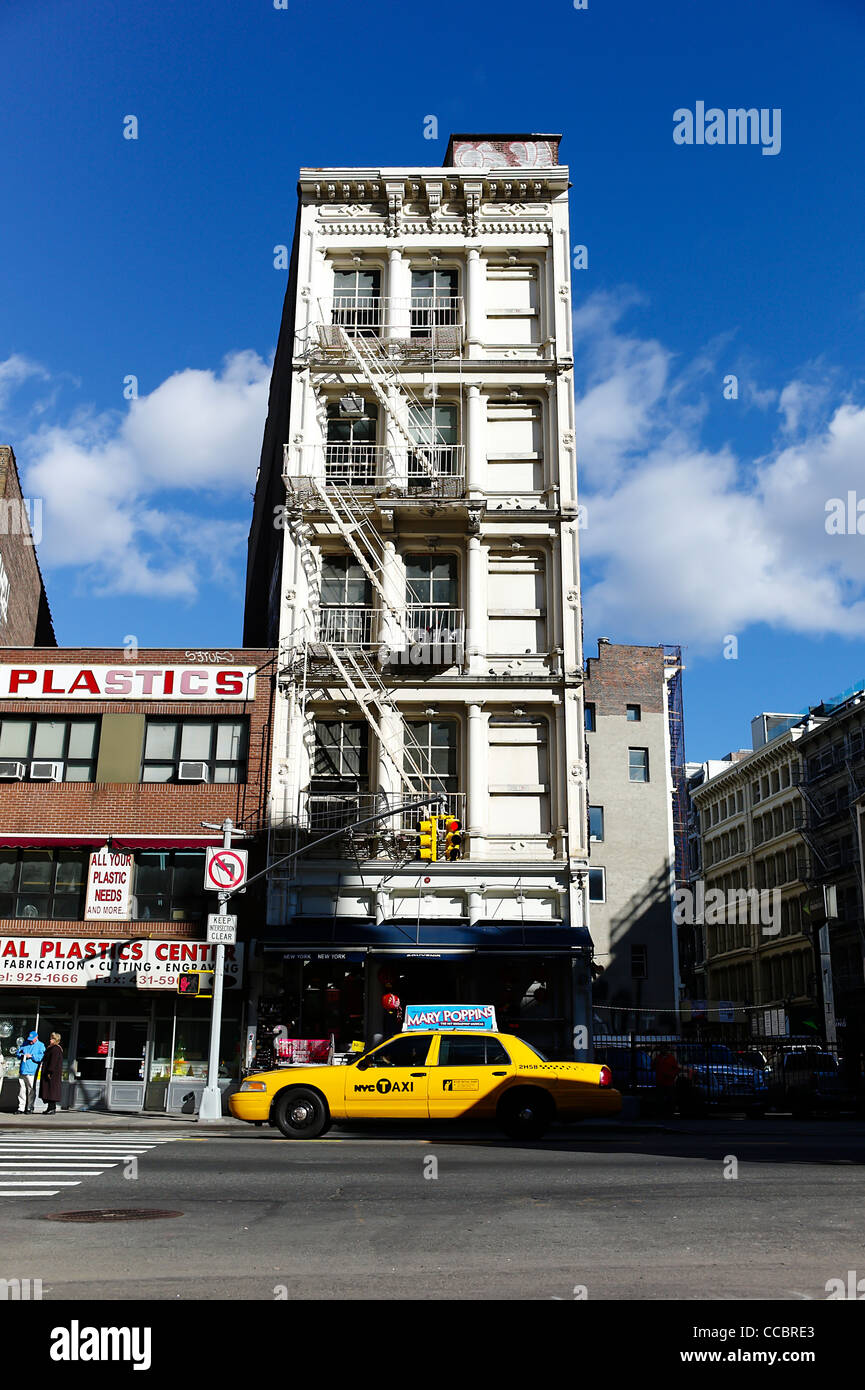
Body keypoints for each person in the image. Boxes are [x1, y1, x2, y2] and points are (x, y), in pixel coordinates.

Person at [17, 1030, 45, 1114]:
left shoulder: (40, 1045)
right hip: (23, 1070)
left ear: (36, 1038)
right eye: (30, 1039)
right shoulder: (25, 1043)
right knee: (21, 1090)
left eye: (32, 1039)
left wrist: (32, 1056)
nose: (30, 1041)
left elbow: (42, 1056)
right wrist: (20, 1054)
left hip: (32, 1071)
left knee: (31, 1090)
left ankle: (29, 1107)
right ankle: (21, 1108)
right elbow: (18, 1053)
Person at [39, 1032, 63, 1115]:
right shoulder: (51, 1048)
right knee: (49, 1091)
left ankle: (52, 1108)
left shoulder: (56, 1049)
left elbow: (53, 1061)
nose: (50, 1040)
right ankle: (50, 1107)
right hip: (50, 1073)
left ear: (56, 1040)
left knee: (51, 1091)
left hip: (52, 1075)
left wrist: (50, 1071)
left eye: (52, 1039)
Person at [654, 1045, 680, 1118]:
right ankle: (661, 1113)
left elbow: (676, 1069)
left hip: (669, 1081)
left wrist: (672, 1076)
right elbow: (653, 1066)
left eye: (664, 1049)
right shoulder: (658, 1058)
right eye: (662, 1049)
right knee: (660, 1099)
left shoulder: (671, 1058)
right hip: (660, 1081)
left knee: (670, 1098)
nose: (663, 1050)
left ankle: (670, 1113)